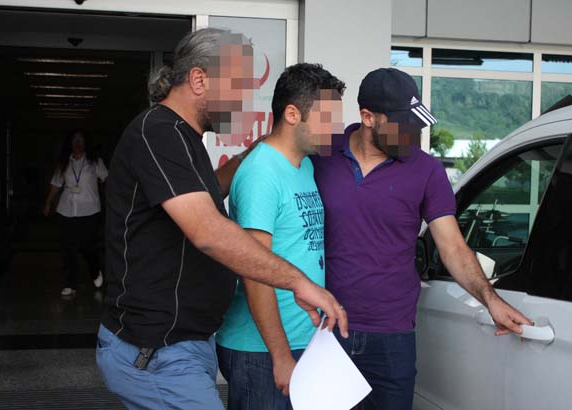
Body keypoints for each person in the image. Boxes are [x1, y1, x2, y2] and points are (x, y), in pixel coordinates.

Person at [96, 28, 347, 410]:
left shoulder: (184, 137)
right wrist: (298, 282)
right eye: (239, 86)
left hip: (183, 345)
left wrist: (256, 151)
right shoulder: (158, 132)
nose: (245, 100)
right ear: (199, 80)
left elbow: (205, 191)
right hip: (155, 351)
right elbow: (207, 231)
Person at [312, 68, 532, 410]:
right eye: (403, 125)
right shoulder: (321, 154)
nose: (412, 135)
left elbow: (452, 246)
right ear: (368, 117)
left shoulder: (427, 170)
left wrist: (490, 299)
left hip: (391, 337)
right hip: (322, 330)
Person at [216, 63, 345, 410]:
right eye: (327, 118)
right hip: (261, 350)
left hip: (304, 340)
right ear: (292, 114)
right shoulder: (261, 173)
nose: (335, 129)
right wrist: (280, 354)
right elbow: (253, 270)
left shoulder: (304, 164)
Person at [44, 129, 108, 296]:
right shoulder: (64, 163)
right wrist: (48, 203)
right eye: (75, 139)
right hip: (66, 210)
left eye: (81, 139)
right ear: (70, 143)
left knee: (88, 246)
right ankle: (69, 284)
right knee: (68, 248)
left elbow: (107, 179)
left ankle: (95, 269)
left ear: (85, 142)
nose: (78, 142)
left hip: (90, 211)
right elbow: (56, 184)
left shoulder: (94, 162)